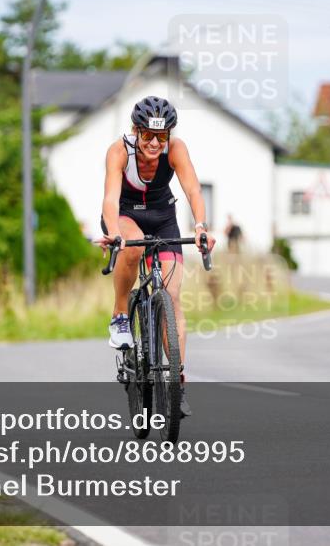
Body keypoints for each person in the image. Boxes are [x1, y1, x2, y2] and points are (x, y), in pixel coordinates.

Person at [97, 96, 216, 418]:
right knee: (133, 245)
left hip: (164, 217)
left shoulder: (176, 149)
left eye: (161, 137)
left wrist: (202, 227)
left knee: (173, 297)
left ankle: (176, 382)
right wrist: (113, 231)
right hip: (126, 216)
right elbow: (110, 197)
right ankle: (121, 314)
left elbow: (193, 190)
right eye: (147, 135)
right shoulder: (118, 151)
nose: (153, 143)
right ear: (135, 130)